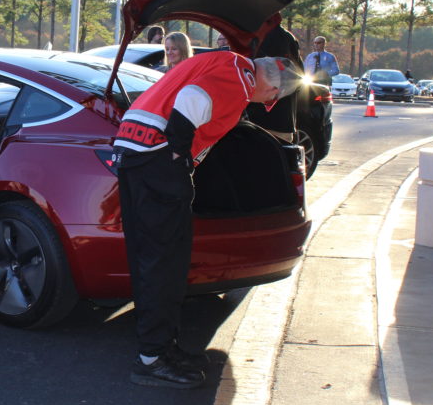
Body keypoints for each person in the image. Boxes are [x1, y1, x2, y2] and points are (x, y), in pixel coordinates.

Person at [112, 51, 302, 388]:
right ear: (273, 88)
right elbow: (192, 99)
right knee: (165, 263)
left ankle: (160, 349)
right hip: (157, 162)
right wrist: (178, 152)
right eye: (270, 98)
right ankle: (152, 358)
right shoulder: (240, 75)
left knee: (155, 260)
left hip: (136, 152)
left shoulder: (222, 63)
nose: (263, 102)